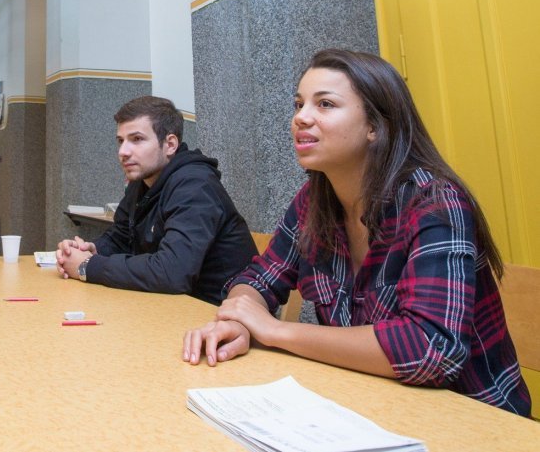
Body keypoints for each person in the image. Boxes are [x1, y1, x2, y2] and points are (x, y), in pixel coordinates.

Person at [182, 49, 531, 416]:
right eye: (299, 104)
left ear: (375, 126)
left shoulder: (435, 204)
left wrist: (274, 331)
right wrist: (239, 318)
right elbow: (259, 278)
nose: (301, 117)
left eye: (326, 104)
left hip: (474, 420)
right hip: (369, 407)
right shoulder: (312, 201)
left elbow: (431, 349)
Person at [55, 96, 256, 305]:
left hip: (217, 315)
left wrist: (89, 266)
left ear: (170, 144)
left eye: (137, 139)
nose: (123, 152)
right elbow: (120, 238)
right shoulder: (142, 183)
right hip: (169, 307)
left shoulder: (195, 186)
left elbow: (173, 273)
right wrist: (88, 250)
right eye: (120, 140)